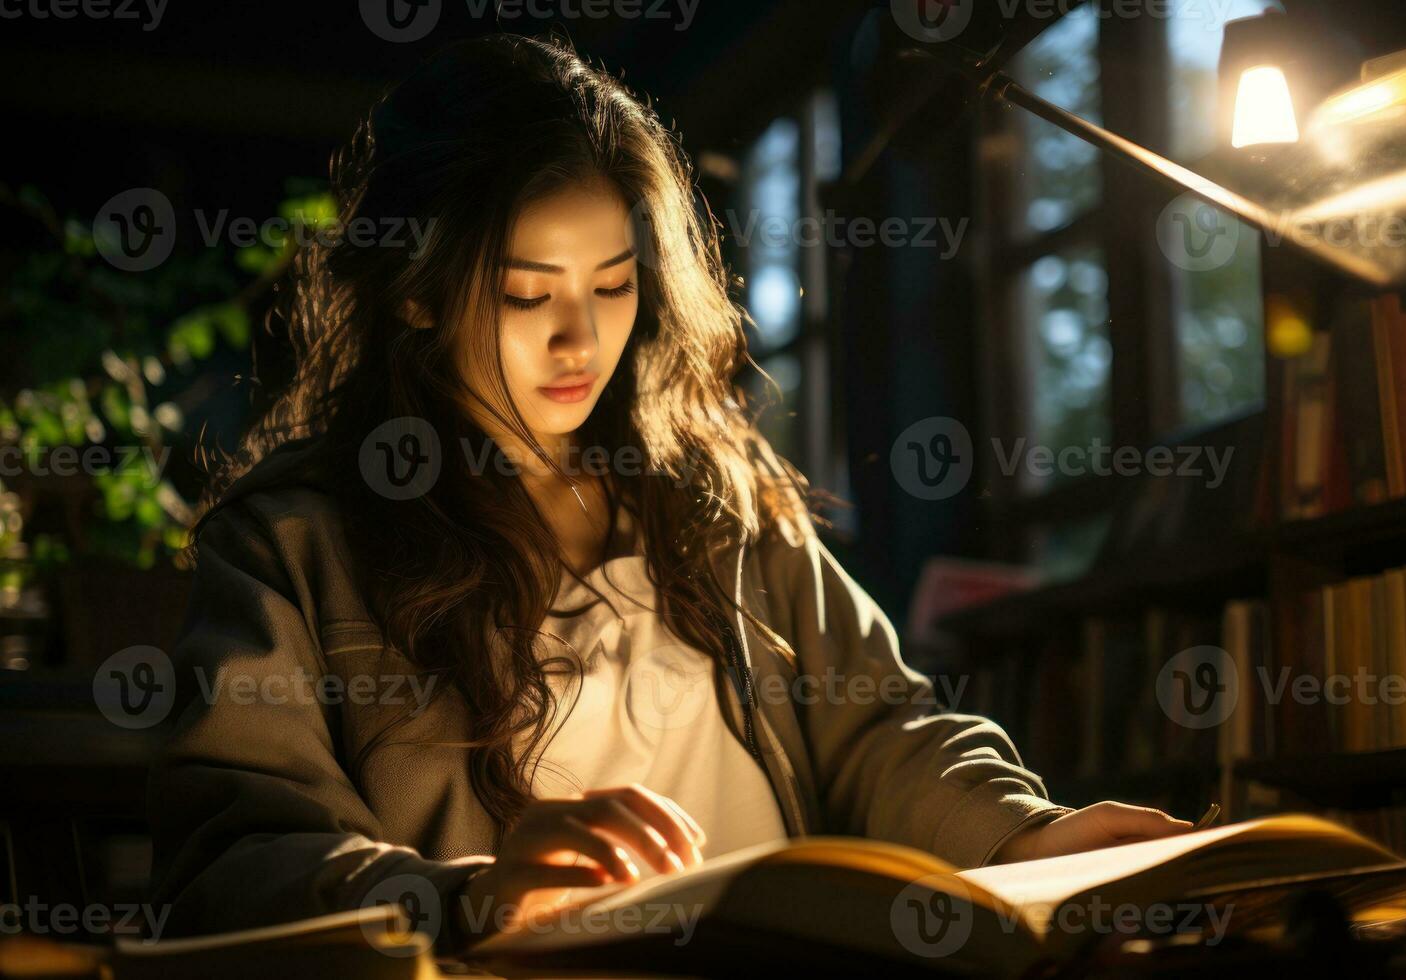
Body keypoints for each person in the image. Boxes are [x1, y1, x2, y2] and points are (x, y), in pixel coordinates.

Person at [147, 31, 1192, 955]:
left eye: (613, 283)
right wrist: (468, 898)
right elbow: (237, 862)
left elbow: (881, 724)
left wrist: (1028, 831)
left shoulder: (712, 497)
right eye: (527, 291)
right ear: (415, 287)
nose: (581, 339)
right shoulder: (297, 543)